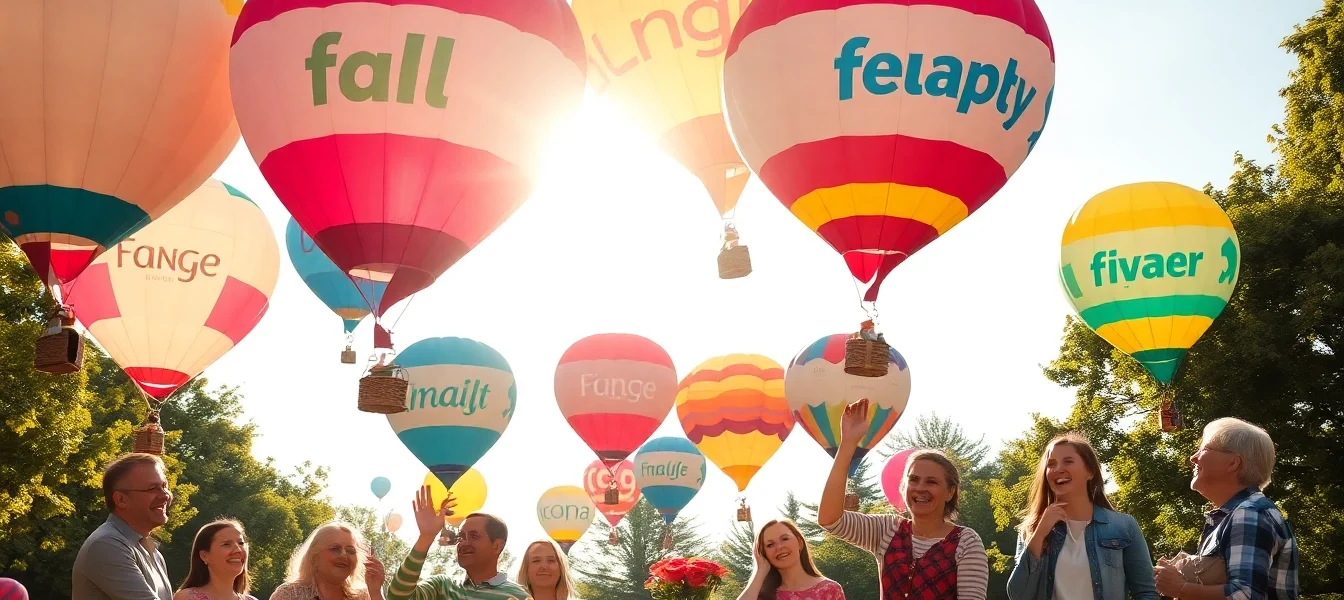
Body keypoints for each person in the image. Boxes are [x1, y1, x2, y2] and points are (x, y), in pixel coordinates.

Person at [819, 399, 990, 599]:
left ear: (950, 492)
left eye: (932, 482)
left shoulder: (966, 542)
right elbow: (829, 519)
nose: (920, 488)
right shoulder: (887, 529)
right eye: (914, 480)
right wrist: (848, 442)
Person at [1153, 417, 1298, 600]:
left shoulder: (1249, 514)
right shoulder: (1236, 515)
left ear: (1233, 463)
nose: (1193, 458)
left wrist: (1180, 588)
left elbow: (1244, 595)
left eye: (1204, 449)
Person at [1007, 433, 1158, 600]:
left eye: (1068, 461)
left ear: (1090, 471)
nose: (1058, 469)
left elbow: (1146, 593)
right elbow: (1018, 595)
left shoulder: (1124, 525)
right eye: (1051, 464)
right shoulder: (1032, 529)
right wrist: (1040, 534)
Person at [387, 484, 528, 599]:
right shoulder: (442, 587)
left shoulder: (517, 596)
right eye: (461, 536)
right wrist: (426, 536)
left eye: (474, 536)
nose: (464, 543)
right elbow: (397, 597)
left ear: (497, 546)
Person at [73, 453, 176, 600]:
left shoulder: (153, 553)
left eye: (164, 486)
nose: (165, 495)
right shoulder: (106, 545)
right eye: (153, 488)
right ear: (121, 499)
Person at [270, 522, 386, 600]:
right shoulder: (289, 594)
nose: (344, 555)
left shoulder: (363, 596)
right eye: (335, 549)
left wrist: (376, 592)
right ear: (313, 557)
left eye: (351, 551)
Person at [737, 519, 843, 600]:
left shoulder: (829, 589)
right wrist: (760, 572)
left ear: (800, 543)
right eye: (770, 545)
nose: (779, 547)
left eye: (785, 539)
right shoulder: (759, 594)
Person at [174, 519, 258, 600]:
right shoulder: (187, 597)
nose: (238, 550)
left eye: (241, 543)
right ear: (204, 556)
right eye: (226, 544)